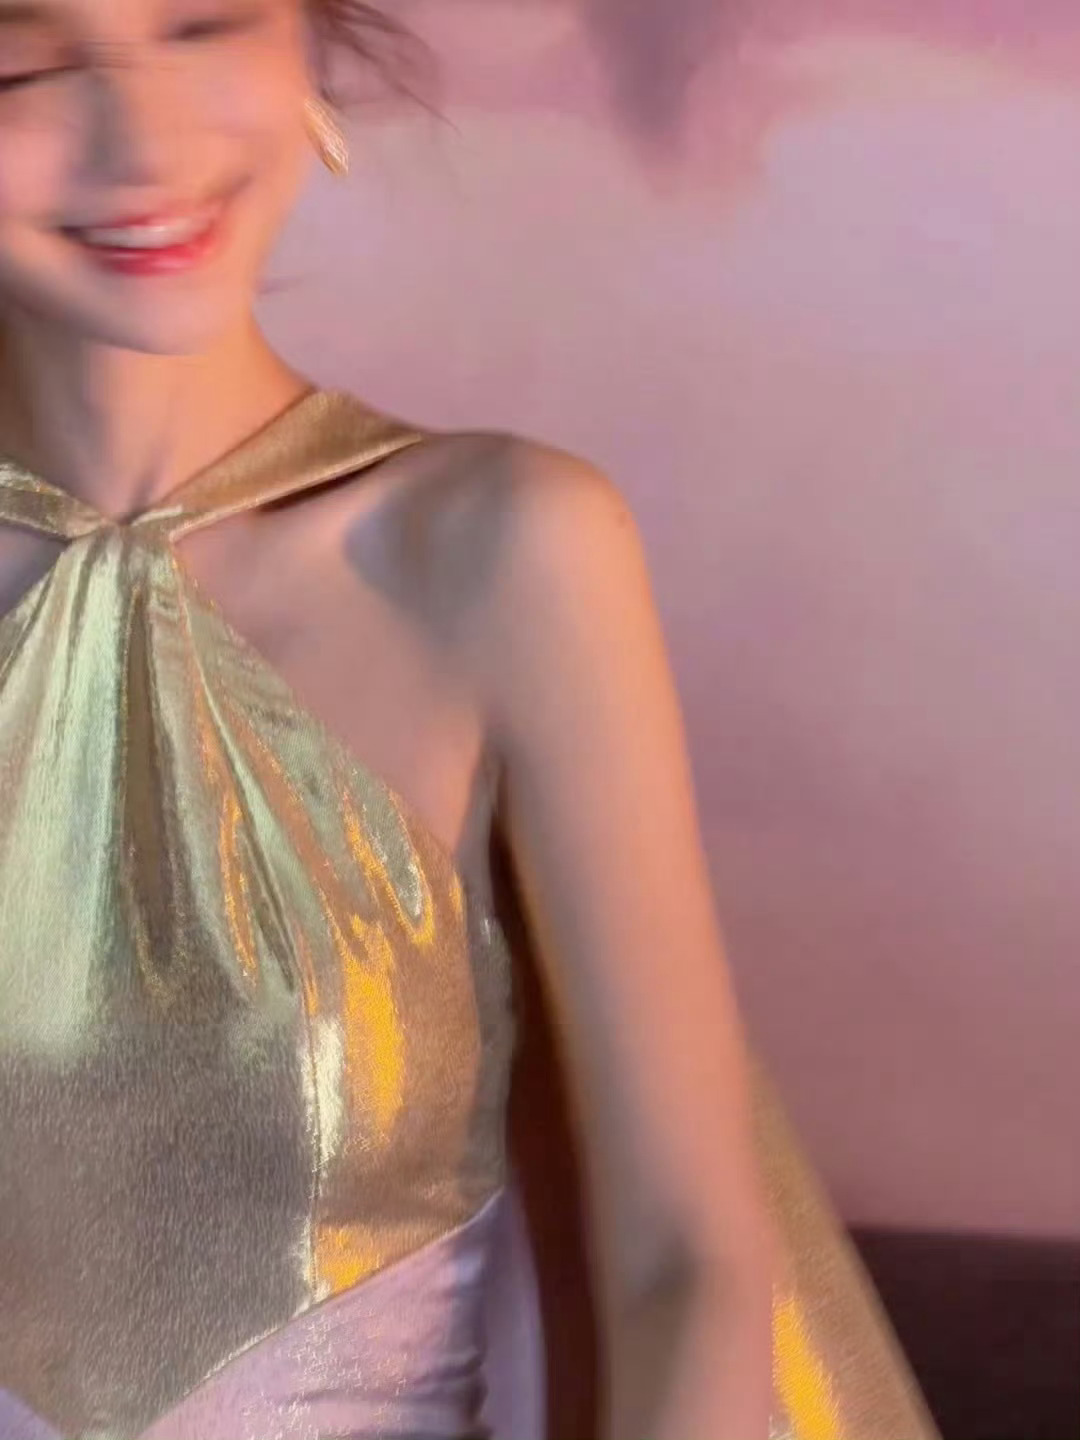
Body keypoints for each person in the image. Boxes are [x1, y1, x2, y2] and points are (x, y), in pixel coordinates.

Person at [0, 2, 938, 1437]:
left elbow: (683, 1260)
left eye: (205, 22)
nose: (146, 138)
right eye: (23, 63)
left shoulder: (497, 550)